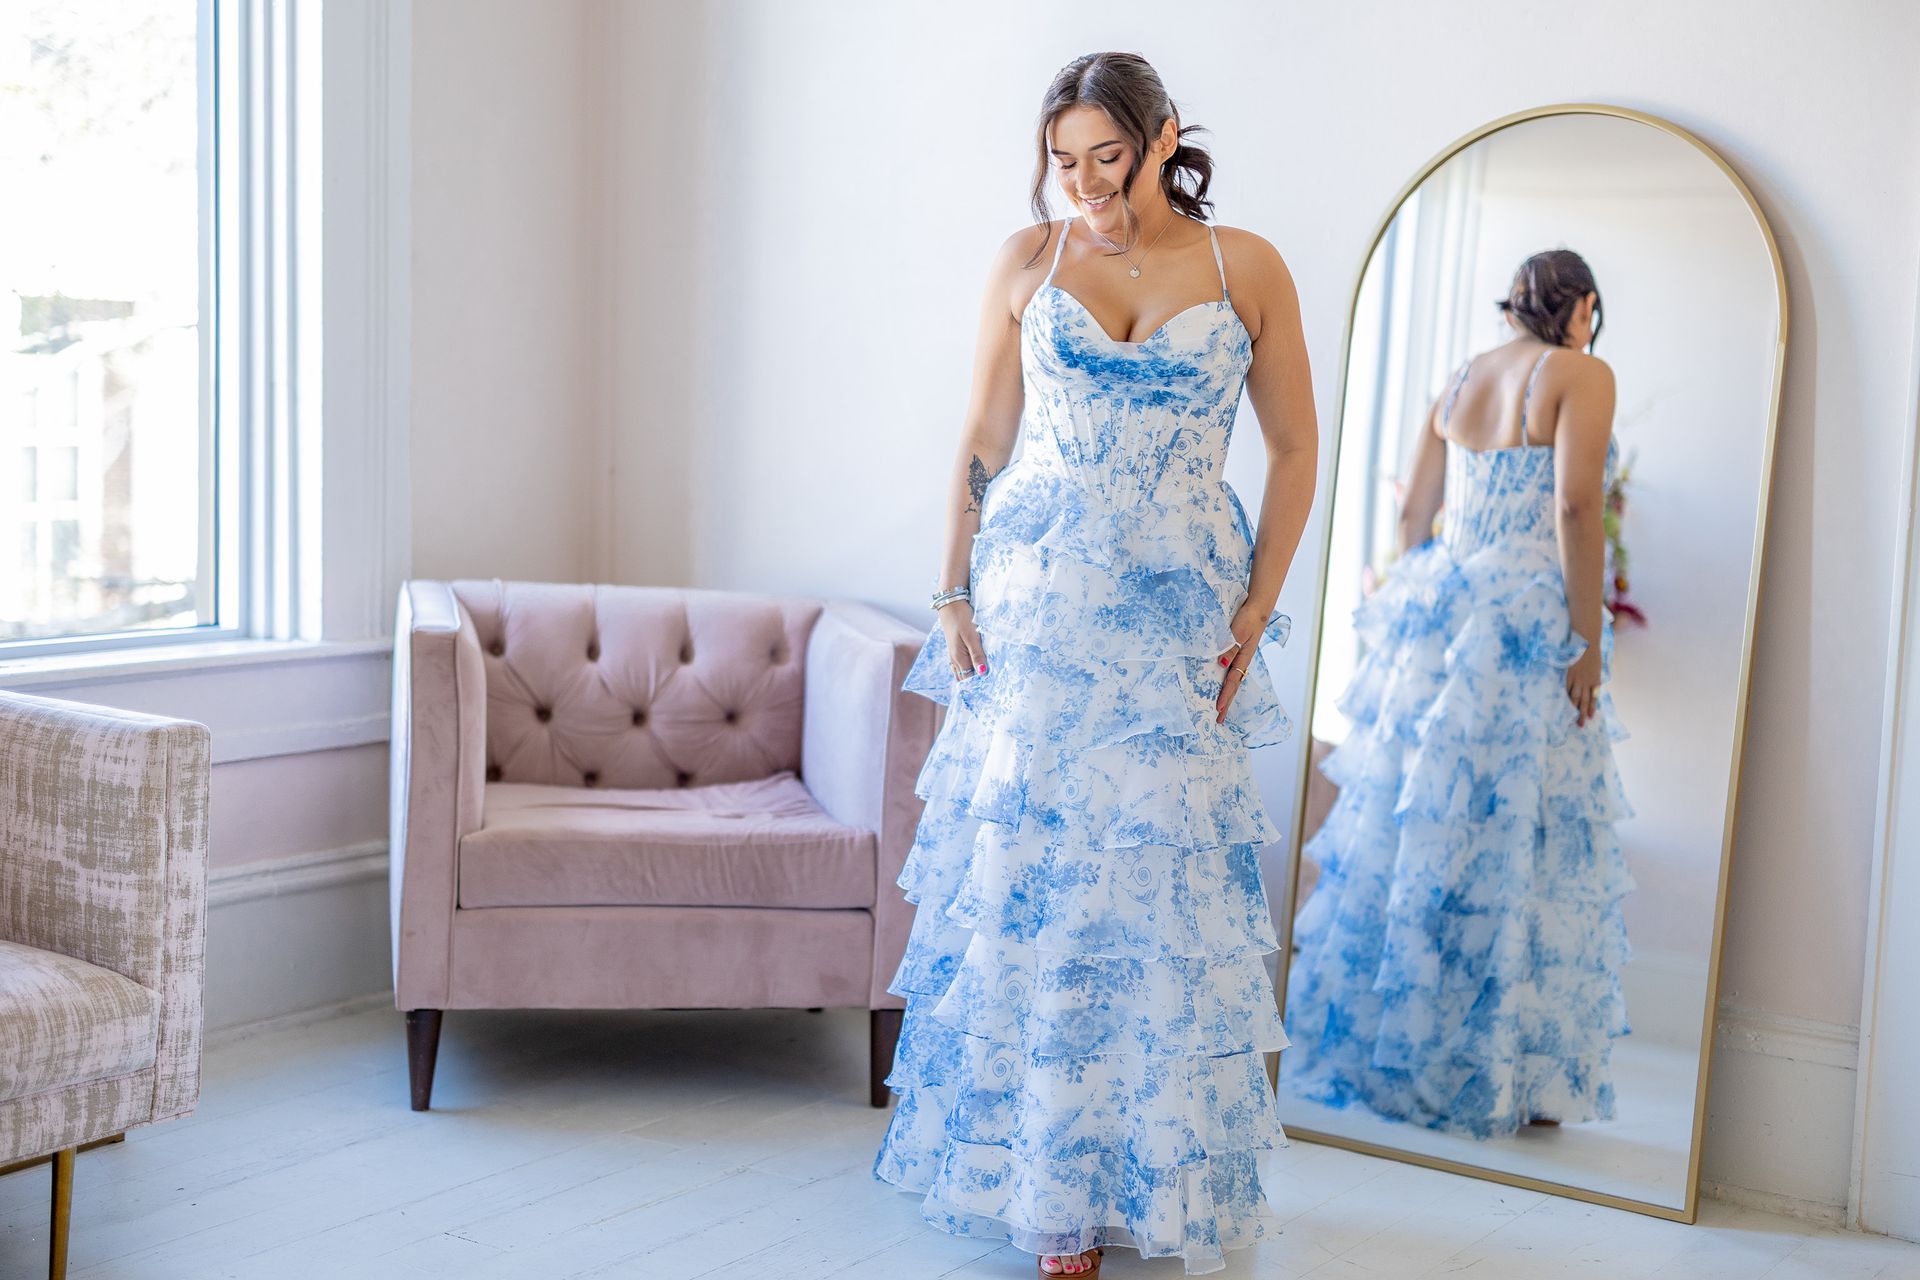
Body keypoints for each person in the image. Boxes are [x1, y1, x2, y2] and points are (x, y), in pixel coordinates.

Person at [870, 52, 1318, 1279]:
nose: (1084, 187)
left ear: (1163, 138)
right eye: (1062, 164)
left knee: (1156, 900)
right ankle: (1048, 1198)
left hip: (1179, 619)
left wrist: (1258, 609)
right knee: (1037, 887)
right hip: (1041, 611)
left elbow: (1292, 451)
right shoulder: (1028, 263)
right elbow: (984, 433)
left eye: (1107, 160)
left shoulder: (1248, 267)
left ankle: (1149, 1179)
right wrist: (953, 586)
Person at [1281, 249, 1636, 1139]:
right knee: (1514, 839)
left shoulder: (1461, 377)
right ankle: (1502, 1070)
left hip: (1443, 611)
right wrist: (1585, 641)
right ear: (1582, 306)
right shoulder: (1581, 373)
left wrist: (1417, 600)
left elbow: (1414, 513)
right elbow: (1576, 509)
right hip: (1524, 620)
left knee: (1421, 842)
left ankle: (1400, 1057)